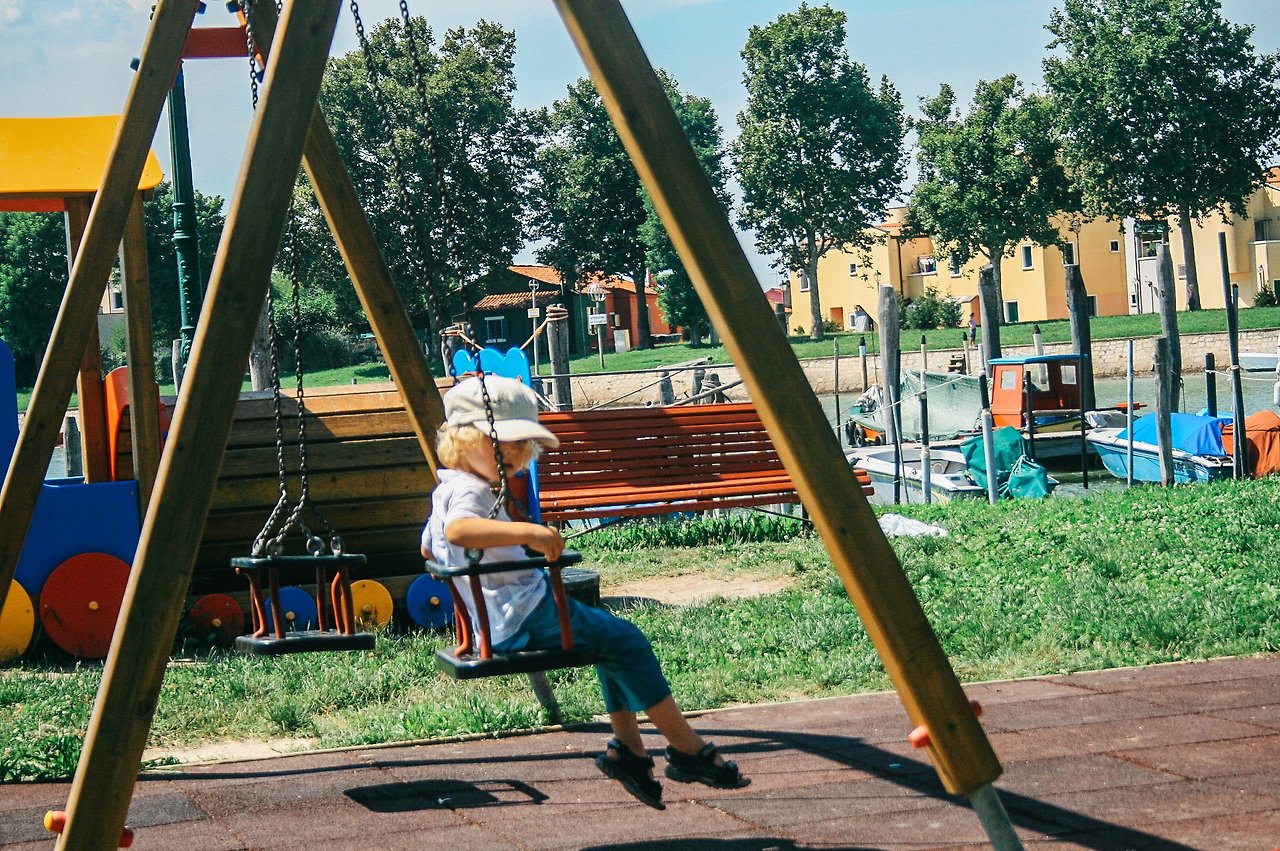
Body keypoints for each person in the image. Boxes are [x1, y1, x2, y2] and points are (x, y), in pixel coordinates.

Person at [423, 375, 749, 809]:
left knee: (611, 642)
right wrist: (531, 534)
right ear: (463, 441)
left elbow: (429, 546)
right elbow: (458, 531)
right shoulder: (470, 491)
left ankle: (629, 751)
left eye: (522, 445)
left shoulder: (445, 489)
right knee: (628, 642)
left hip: (498, 620)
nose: (515, 454)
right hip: (523, 614)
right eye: (503, 443)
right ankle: (687, 748)